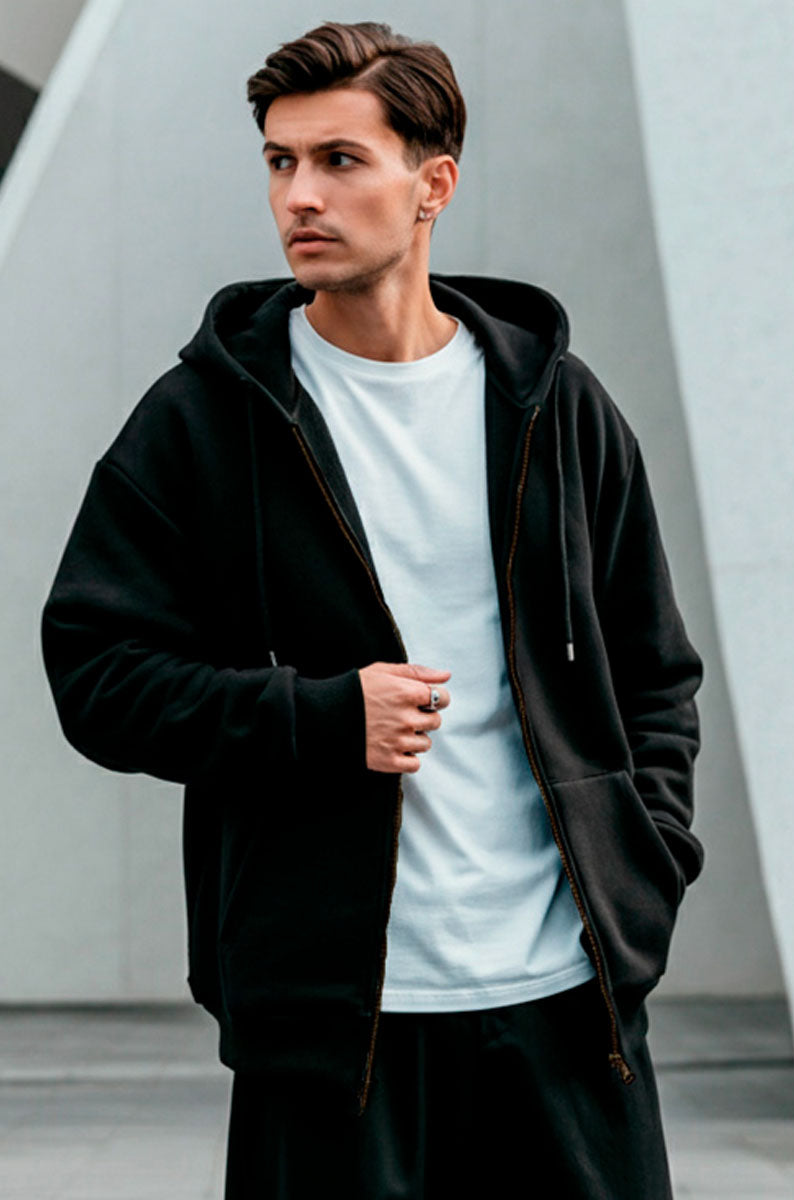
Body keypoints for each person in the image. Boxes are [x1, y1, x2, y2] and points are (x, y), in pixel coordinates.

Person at [41, 20, 704, 1200]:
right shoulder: (203, 422)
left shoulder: (555, 408)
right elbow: (95, 672)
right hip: (332, 1030)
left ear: (431, 184)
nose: (298, 195)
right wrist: (314, 719)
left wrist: (640, 863)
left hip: (567, 1009)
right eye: (279, 161)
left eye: (339, 160)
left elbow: (654, 670)